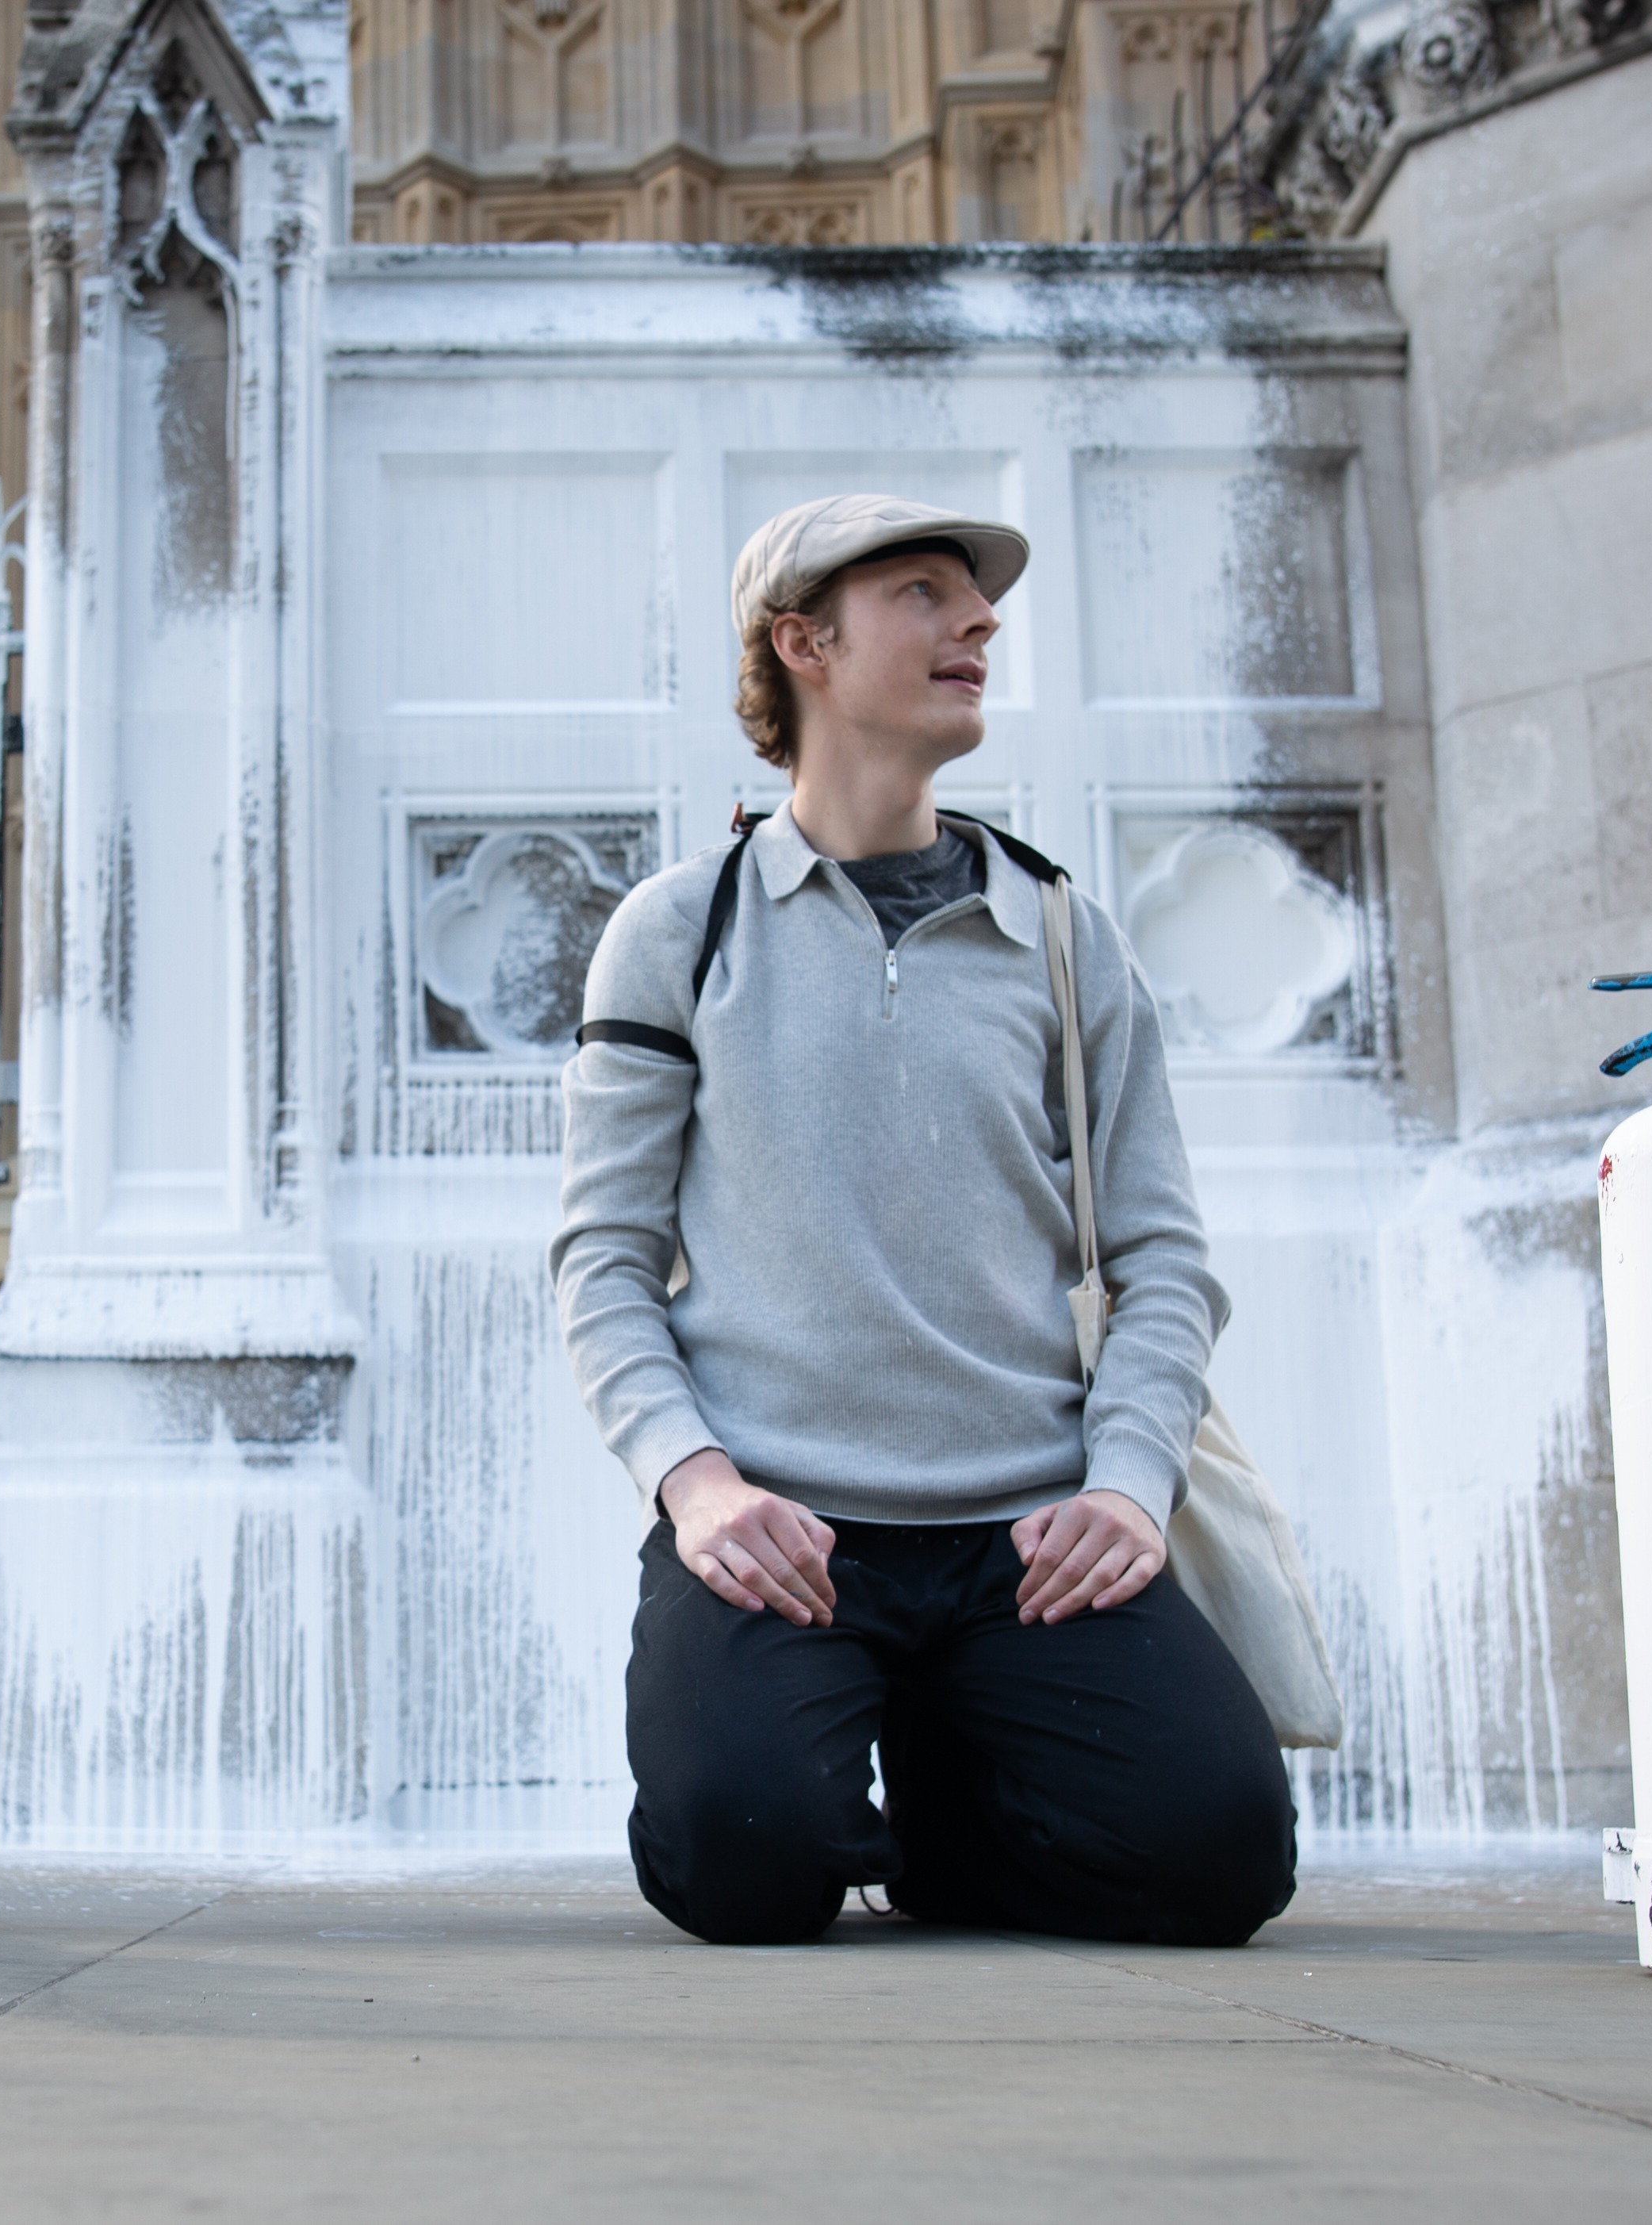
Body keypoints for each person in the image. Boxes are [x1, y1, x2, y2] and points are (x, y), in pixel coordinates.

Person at [553, 495, 1295, 1949]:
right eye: (924, 593)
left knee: (1220, 1861)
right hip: (782, 1530)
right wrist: (698, 1487)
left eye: (979, 599)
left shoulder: (1067, 934)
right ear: (804, 644)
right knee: (739, 1869)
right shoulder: (677, 928)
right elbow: (602, 1261)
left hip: (1031, 1533)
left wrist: (1129, 1486)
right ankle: (835, 1768)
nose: (980, 623)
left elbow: (1162, 1265)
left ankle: (948, 1809)